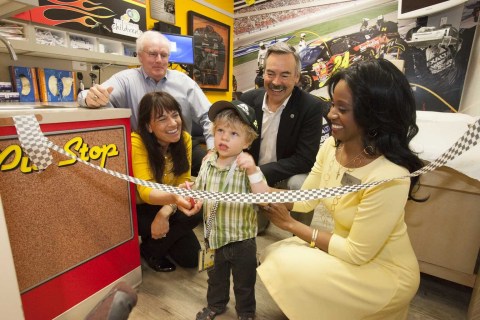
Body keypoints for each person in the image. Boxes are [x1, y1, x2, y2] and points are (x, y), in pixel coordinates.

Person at [257, 58, 425, 319]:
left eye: (342, 109)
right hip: (348, 254)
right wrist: (257, 190)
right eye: (333, 104)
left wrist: (289, 225)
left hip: (383, 272)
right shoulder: (331, 148)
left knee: (286, 260)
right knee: (276, 251)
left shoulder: (390, 176)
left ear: (375, 114)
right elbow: (307, 199)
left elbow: (357, 253)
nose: (330, 114)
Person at [77, 30, 213, 176]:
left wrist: (213, 149)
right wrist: (89, 97)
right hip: (144, 151)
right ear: (140, 56)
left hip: (181, 146)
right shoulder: (125, 80)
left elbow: (208, 115)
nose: (159, 60)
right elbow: (93, 93)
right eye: (153, 54)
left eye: (164, 55)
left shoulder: (185, 82)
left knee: (212, 169)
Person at [240, 41, 329, 232]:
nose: (276, 82)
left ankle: (298, 232)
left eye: (285, 75)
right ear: (263, 73)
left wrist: (259, 172)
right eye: (270, 73)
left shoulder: (311, 107)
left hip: (287, 174)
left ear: (297, 77)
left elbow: (305, 159)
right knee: (255, 229)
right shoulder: (247, 101)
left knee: (302, 184)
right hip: (255, 174)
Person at [194, 100, 269, 320]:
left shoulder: (246, 167)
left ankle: (246, 312)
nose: (224, 137)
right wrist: (192, 197)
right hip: (213, 237)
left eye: (234, 133)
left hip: (242, 240)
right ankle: (216, 304)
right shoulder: (207, 162)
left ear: (248, 141)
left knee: (245, 281)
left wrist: (254, 171)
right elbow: (200, 190)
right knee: (215, 277)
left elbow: (263, 199)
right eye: (220, 130)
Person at [131, 91, 203, 272]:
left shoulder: (184, 139)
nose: (173, 123)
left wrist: (164, 213)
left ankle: (152, 244)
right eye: (162, 118)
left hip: (168, 202)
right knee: (187, 214)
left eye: (175, 115)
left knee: (191, 259)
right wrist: (174, 199)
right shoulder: (137, 142)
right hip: (139, 208)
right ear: (148, 126)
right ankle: (152, 251)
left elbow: (184, 181)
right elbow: (146, 192)